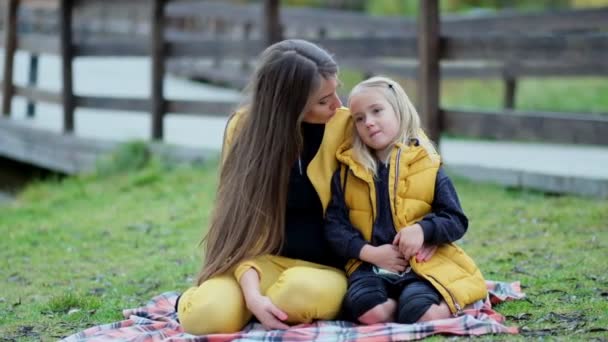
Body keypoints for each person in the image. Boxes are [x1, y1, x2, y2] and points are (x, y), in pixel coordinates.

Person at [177, 39, 352, 335]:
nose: (338, 105)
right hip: (255, 266)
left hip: (326, 271)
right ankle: (239, 304)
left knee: (295, 294)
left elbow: (412, 157)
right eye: (324, 100)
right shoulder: (242, 129)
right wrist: (252, 294)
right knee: (203, 316)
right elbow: (237, 221)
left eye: (336, 91)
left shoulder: (347, 126)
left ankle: (257, 308)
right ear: (289, 106)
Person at [324, 76, 488, 325]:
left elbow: (455, 219)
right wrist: (370, 253)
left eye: (377, 111)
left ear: (399, 110)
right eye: (359, 118)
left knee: (421, 312)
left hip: (421, 267)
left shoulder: (427, 164)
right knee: (369, 311)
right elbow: (334, 225)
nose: (369, 122)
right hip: (369, 266)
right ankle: (401, 308)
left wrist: (423, 230)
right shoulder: (348, 171)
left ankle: (442, 304)